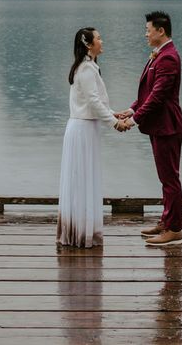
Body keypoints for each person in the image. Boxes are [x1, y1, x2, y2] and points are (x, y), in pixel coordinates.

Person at [116, 11, 182, 246]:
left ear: (160, 30)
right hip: (158, 125)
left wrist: (133, 122)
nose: (145, 34)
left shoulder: (168, 58)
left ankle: (174, 230)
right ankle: (167, 220)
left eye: (148, 30)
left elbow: (158, 97)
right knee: (164, 177)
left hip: (167, 125)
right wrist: (132, 109)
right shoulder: (160, 54)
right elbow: (148, 92)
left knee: (170, 179)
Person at [57, 27, 128, 248]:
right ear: (88, 44)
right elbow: (93, 103)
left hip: (86, 127)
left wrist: (112, 113)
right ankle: (81, 233)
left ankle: (80, 230)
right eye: (98, 38)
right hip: (83, 130)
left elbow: (97, 103)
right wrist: (114, 123)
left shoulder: (88, 67)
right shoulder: (86, 68)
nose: (101, 40)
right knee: (82, 180)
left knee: (83, 180)